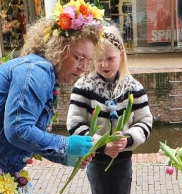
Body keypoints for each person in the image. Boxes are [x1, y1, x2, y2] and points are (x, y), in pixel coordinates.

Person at [67, 25, 153, 194]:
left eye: (110, 58)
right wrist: (100, 143)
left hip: (123, 159)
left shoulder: (133, 87)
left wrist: (128, 139)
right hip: (96, 158)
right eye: (98, 59)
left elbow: (145, 120)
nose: (104, 64)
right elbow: (75, 122)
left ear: (121, 55)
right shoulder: (83, 86)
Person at [0, 0, 105, 175]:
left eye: (88, 61)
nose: (84, 68)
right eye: (79, 58)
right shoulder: (38, 71)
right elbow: (18, 130)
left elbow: (28, 136)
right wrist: (66, 145)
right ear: (59, 48)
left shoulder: (41, 73)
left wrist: (67, 156)